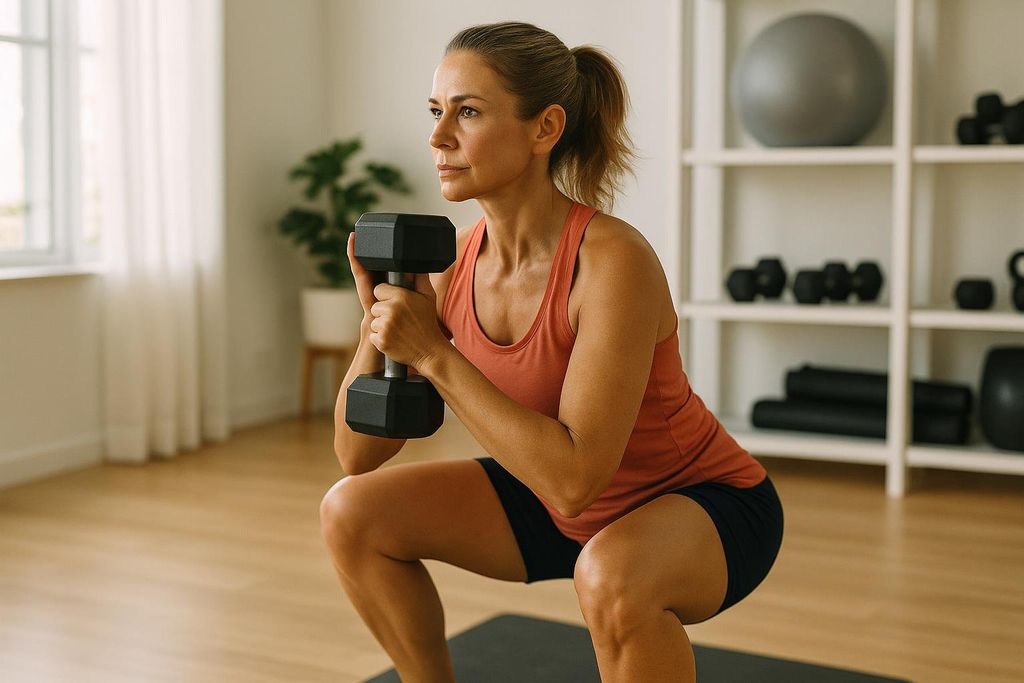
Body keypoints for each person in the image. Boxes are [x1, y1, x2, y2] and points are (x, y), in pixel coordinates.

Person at [320, 21, 784, 683]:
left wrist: (433, 354)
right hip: (554, 501)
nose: (438, 136)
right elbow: (356, 455)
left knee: (613, 575)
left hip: (701, 502)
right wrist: (380, 322)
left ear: (544, 129)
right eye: (435, 110)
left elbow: (575, 481)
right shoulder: (451, 267)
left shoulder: (612, 260)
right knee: (350, 512)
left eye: (469, 112)